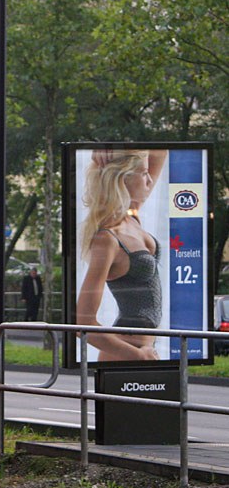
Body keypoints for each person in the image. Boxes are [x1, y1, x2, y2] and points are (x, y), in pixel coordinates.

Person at [76, 149, 166, 362]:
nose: (150, 179)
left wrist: (112, 146)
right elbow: (82, 323)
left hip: (144, 350)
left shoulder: (132, 217)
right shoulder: (107, 238)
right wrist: (137, 355)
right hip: (126, 353)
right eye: (143, 173)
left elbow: (160, 152)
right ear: (124, 180)